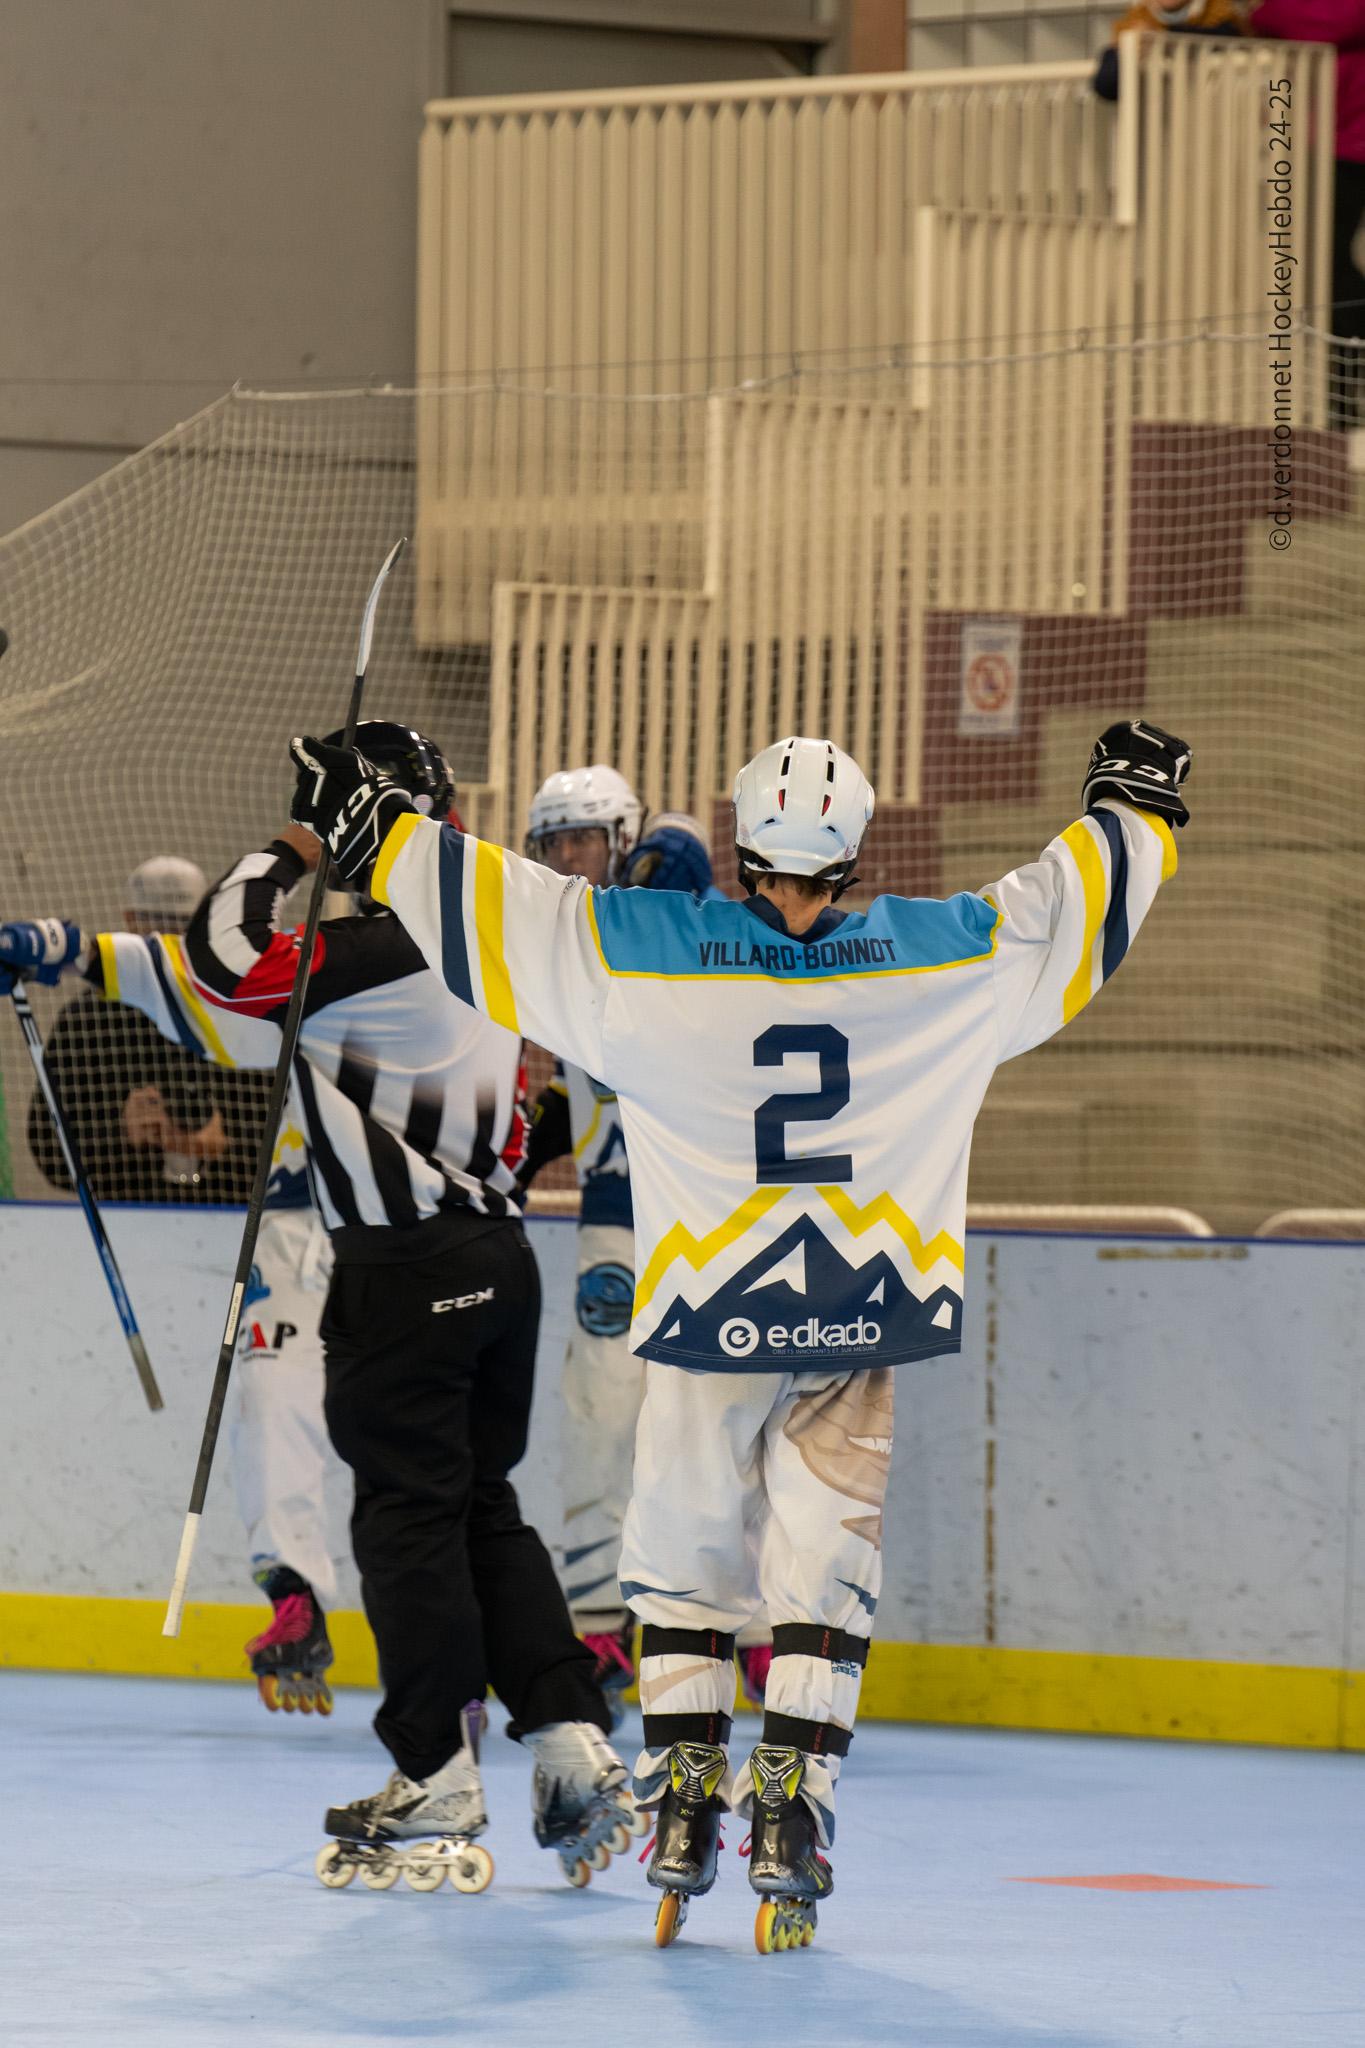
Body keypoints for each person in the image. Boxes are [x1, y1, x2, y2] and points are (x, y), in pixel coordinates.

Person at [290, 715, 1190, 1953]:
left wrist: (380, 827)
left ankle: (683, 1804)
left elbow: (499, 914)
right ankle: (796, 1808)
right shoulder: (941, 953)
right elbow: (1065, 913)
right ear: (857, 846)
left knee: (680, 1562)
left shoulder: (640, 951)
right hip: (860, 1314)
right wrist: (1133, 811)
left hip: (711, 1320)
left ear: (741, 835)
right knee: (824, 1574)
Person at [1, 722, 638, 1891]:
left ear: (366, 820)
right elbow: (231, 1011)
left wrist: (300, 833)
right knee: (475, 1510)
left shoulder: (388, 953)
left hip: (407, 1271)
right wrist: (68, 953)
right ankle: (569, 1740)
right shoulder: (486, 935)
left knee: (405, 1520)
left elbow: (230, 955)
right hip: (499, 1260)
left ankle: (435, 1771)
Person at [2, 861, 335, 1712]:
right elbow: (55, 1151)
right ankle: (296, 1596)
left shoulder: (240, 1000)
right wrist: (127, 1141)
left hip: (311, 1229)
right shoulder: (87, 1024)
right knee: (271, 1395)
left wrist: (218, 1148)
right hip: (222, 1247)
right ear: (125, 913)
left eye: (171, 919)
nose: (157, 930)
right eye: (144, 917)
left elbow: (281, 1114)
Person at [517, 768, 774, 1718]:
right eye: (554, 844)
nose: (569, 860)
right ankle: (594, 1623)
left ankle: (747, 1629)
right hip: (615, 1226)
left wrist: (676, 879)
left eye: (585, 839)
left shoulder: (695, 926)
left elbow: (706, 899)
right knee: (599, 1418)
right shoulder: (567, 949)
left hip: (711, 1225)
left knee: (724, 1425)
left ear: (620, 839)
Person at [23, 855, 269, 1205]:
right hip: (126, 1216)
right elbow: (49, 1150)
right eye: (157, 924)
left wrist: (226, 1143)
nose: (170, 938)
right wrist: (122, 1135)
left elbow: (300, 1143)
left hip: (237, 1218)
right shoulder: (88, 1021)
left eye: (183, 925)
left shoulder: (245, 1010)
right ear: (130, 922)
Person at [1252, 0, 1365, 426]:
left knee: (1330, 268)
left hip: (1346, 142)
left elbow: (1339, 20)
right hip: (1334, 146)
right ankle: (1341, 399)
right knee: (1327, 268)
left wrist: (1264, 12)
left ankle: (1343, 397)